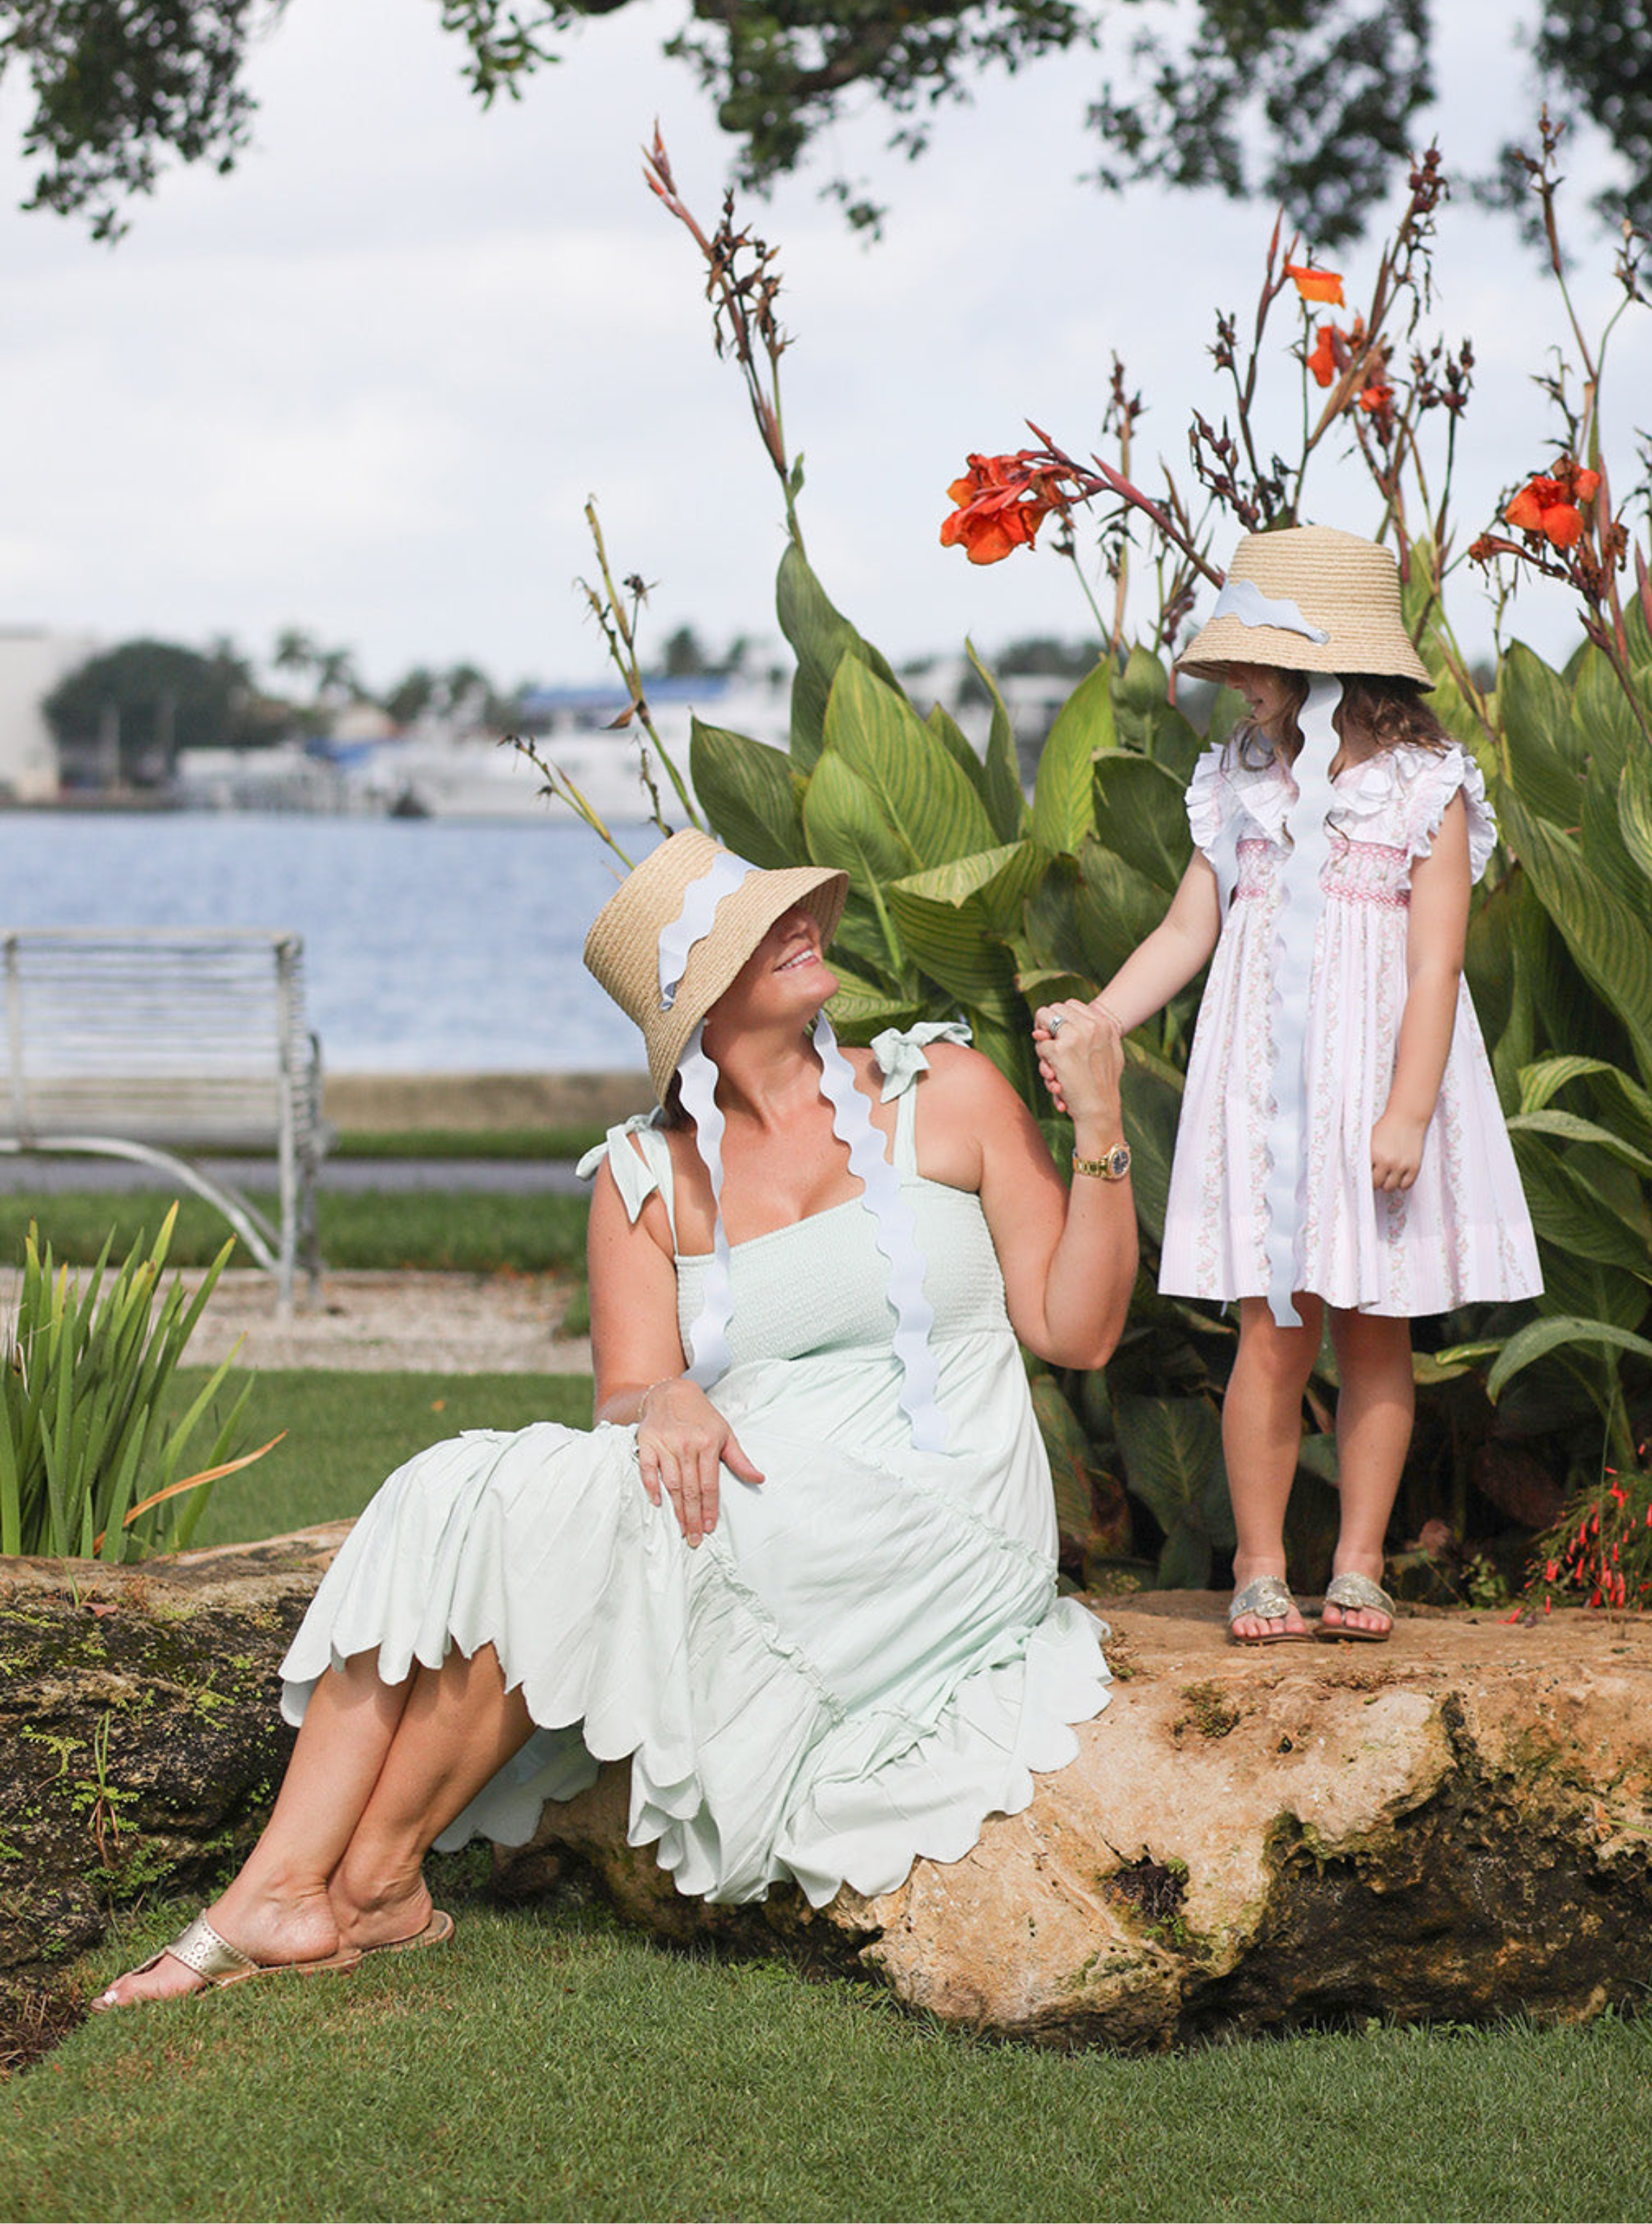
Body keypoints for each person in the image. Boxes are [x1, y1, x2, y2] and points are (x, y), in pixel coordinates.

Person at [95, 829, 1138, 2007]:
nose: (805, 926)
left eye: (792, 910)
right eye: (758, 930)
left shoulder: (942, 1094)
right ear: (702, 1000)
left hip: (940, 1511)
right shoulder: (647, 1176)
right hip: (750, 1489)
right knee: (459, 1490)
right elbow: (629, 1397)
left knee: (569, 1525)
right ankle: (341, 1890)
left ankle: (318, 1889)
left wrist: (1099, 1128)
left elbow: (1077, 1331)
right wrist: (674, 1394)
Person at [1037, 526, 1541, 1647]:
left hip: (1374, 1093)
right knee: (1271, 1330)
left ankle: (1360, 1562)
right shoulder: (1241, 781)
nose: (1244, 688)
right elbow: (1188, 925)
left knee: (1373, 1332)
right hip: (1269, 1090)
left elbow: (1435, 962)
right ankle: (1260, 1565)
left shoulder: (1426, 788)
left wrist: (1408, 1107)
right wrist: (1104, 1021)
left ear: (1338, 666)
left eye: (1263, 662)